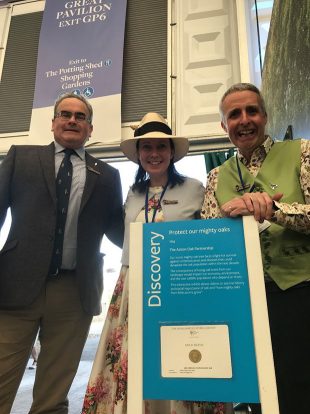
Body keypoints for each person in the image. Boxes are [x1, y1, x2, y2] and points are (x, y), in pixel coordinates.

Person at [82, 112, 232, 414]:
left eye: (161, 147)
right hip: (135, 286)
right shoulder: (133, 193)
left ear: (172, 152)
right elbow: (123, 236)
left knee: (181, 354)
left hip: (180, 287)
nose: (154, 154)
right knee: (137, 356)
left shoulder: (194, 188)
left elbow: (211, 234)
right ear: (138, 154)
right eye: (147, 147)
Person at [0, 93, 124, 413]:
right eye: (65, 114)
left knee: (54, 393)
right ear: (53, 122)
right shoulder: (21, 157)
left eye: (80, 117)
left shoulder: (108, 176)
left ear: (90, 128)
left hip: (74, 292)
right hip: (16, 286)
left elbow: (118, 231)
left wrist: (161, 226)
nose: (72, 120)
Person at [201, 83, 310, 414]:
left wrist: (276, 211)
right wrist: (225, 217)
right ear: (224, 126)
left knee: (300, 389)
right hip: (243, 303)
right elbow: (209, 241)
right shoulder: (216, 176)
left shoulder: (302, 151)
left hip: (299, 294)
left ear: (265, 116)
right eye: (234, 114)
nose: (244, 120)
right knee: (257, 393)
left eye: (252, 111)